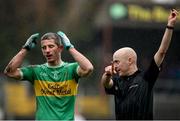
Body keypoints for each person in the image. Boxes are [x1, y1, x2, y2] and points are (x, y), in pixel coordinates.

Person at [101, 9, 179, 120]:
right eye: (113, 62)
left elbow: (162, 52)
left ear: (130, 60)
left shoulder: (146, 78)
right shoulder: (117, 81)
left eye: (117, 62)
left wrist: (170, 26)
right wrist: (107, 74)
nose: (115, 66)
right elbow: (106, 83)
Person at [4, 31, 93, 120]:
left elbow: (88, 68)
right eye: (44, 48)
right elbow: (10, 72)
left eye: (51, 46)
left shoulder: (71, 69)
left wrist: (70, 47)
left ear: (60, 48)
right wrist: (25, 49)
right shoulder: (36, 71)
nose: (47, 50)